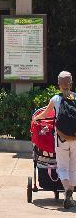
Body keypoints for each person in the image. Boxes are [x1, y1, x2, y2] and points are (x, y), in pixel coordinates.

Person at [33, 71, 76, 208]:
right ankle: (72, 190)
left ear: (58, 84)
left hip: (61, 139)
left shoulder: (55, 99)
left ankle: (67, 190)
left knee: (62, 166)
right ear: (71, 83)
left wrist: (36, 118)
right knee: (73, 166)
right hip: (75, 138)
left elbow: (45, 113)